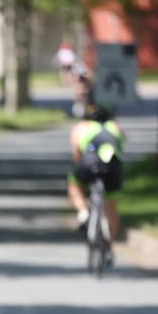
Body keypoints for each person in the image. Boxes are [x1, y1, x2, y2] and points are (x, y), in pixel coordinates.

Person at [67, 101, 125, 264]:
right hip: (112, 167)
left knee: (74, 184)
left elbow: (77, 154)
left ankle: (83, 211)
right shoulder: (116, 127)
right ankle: (110, 247)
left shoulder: (81, 127)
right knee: (111, 207)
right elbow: (121, 148)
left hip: (89, 164)